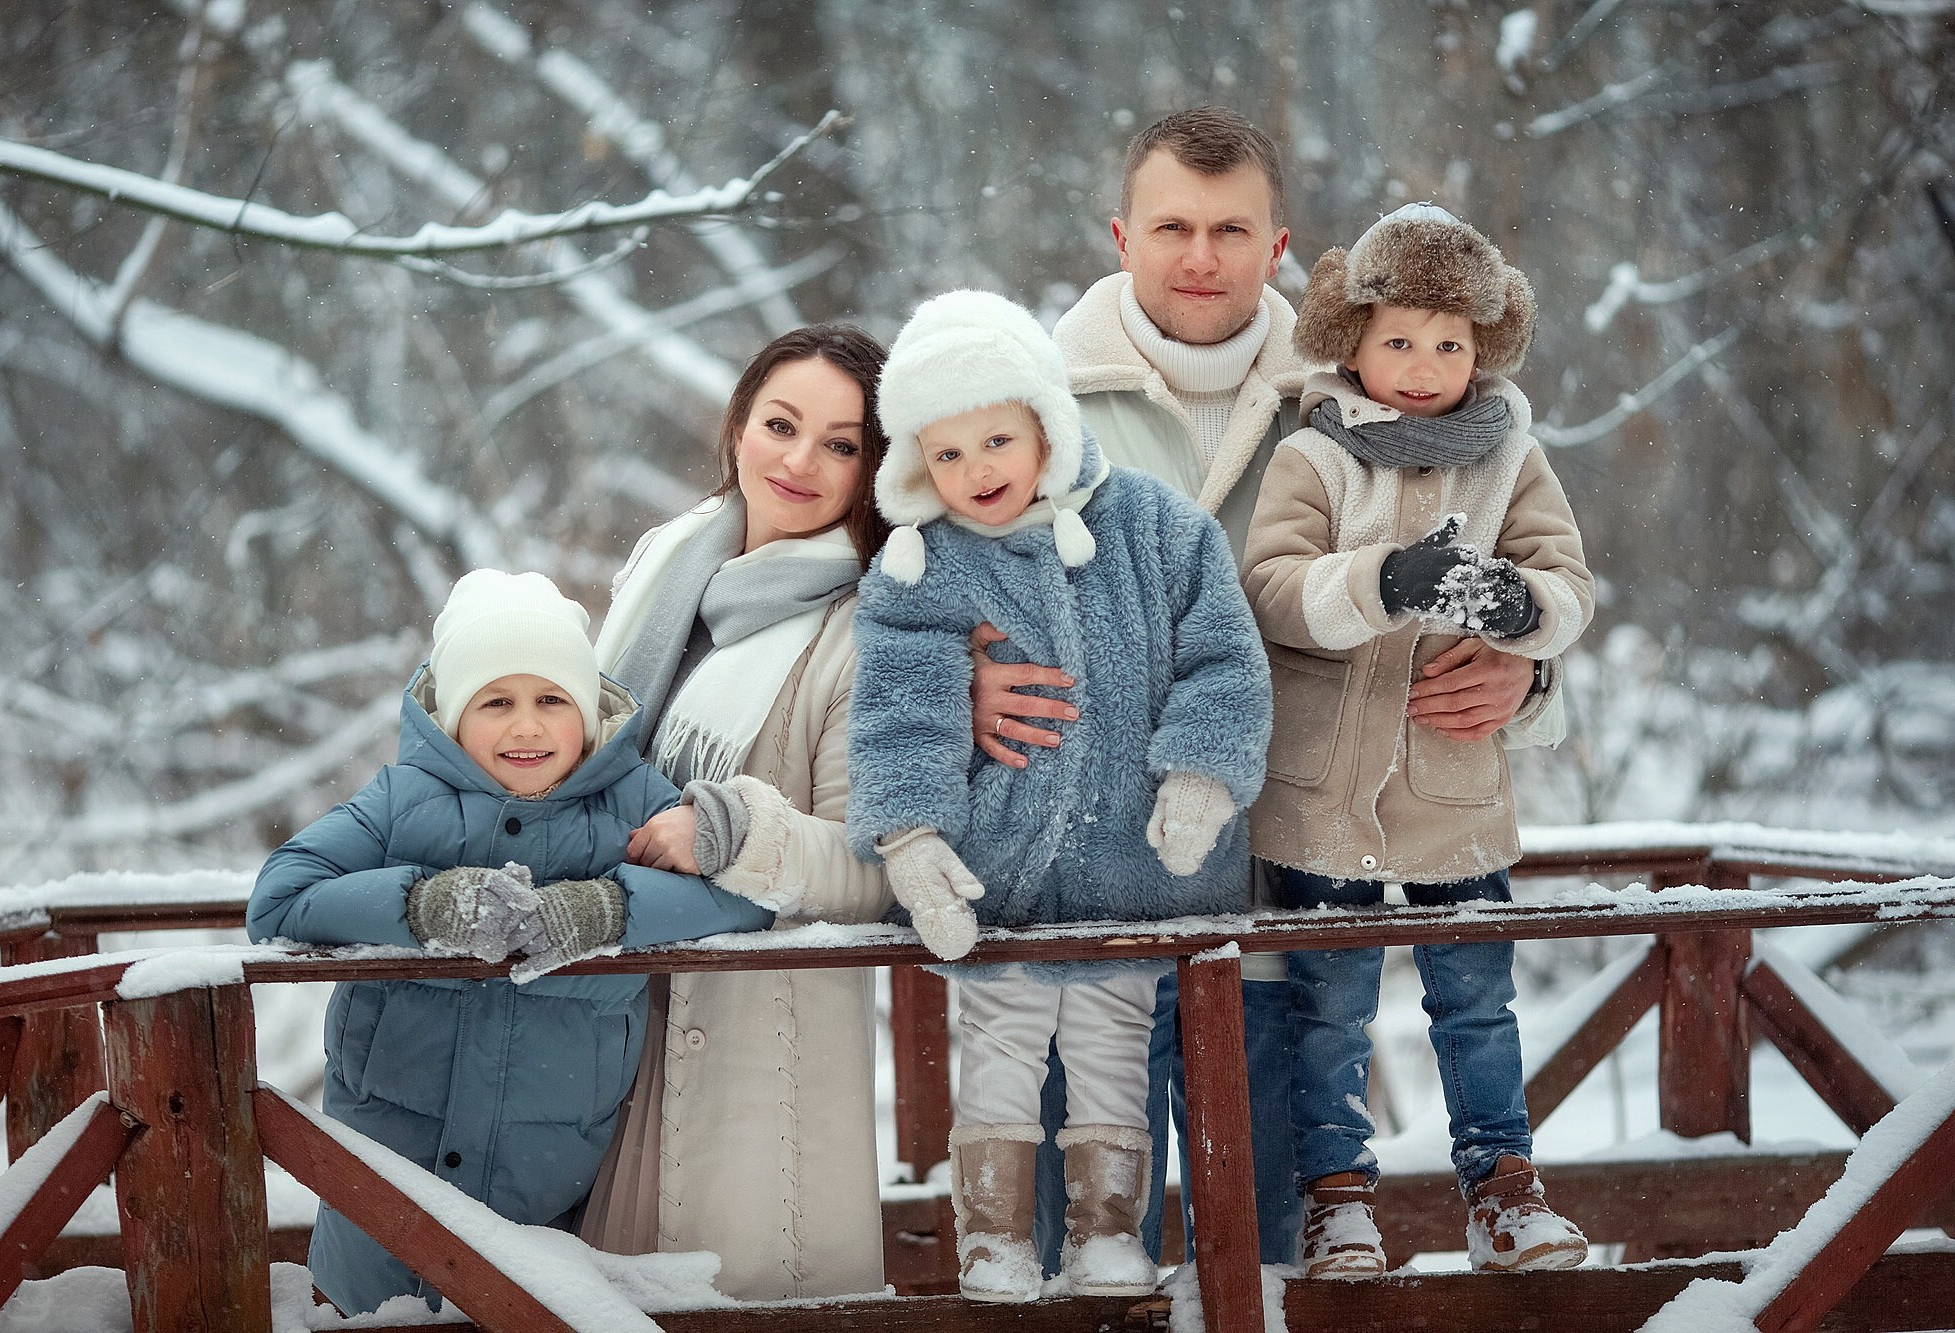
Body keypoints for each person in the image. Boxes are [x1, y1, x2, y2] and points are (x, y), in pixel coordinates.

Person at [1015, 105, 1570, 1267]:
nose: (1199, 256)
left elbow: (1513, 569)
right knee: (1079, 1257)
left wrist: (1524, 673)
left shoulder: (1369, 389)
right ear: (1119, 234)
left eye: (1230, 228)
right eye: (1172, 226)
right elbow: (962, 601)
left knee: (1265, 1255)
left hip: (1283, 884)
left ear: (1279, 247)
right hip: (1087, 884)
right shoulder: (1035, 405)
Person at [846, 289, 1271, 1303]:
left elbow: (1224, 658)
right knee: (994, 1056)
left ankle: (1106, 1231)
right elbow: (897, 715)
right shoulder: (920, 570)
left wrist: (1201, 774)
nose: (976, 471)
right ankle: (992, 1236)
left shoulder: (1158, 529)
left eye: (996, 438)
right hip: (1000, 881)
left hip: (1133, 867)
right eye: (945, 455)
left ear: (1046, 421)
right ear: (914, 461)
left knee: (1113, 1051)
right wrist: (910, 839)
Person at [247, 569, 774, 1316]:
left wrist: (607, 907)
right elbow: (280, 893)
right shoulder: (402, 799)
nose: (527, 726)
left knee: (522, 1308)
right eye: (497, 701)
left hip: (549, 1181)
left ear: (587, 709)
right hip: (381, 1177)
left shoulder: (634, 802)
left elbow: (747, 896)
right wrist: (421, 902)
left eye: (552, 699)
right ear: (455, 715)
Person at [1242, 202, 1596, 1275]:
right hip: (1322, 794)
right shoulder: (1313, 457)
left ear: (1481, 349)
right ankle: (1336, 1194)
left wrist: (1514, 609)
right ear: (1347, 339)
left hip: (1452, 791)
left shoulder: (1509, 461)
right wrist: (1380, 580)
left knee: (1474, 1002)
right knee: (1329, 1006)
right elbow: (1269, 588)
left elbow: (1567, 583)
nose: (1421, 363)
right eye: (1397, 338)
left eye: (1448, 344)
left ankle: (1501, 1186)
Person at [579, 324, 894, 1301]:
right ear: (738, 426)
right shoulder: (664, 572)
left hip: (758, 1056)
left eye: (840, 444)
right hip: (602, 1021)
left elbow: (876, 867)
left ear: (873, 469)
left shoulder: (868, 629)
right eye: (780, 424)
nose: (799, 461)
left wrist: (735, 832)